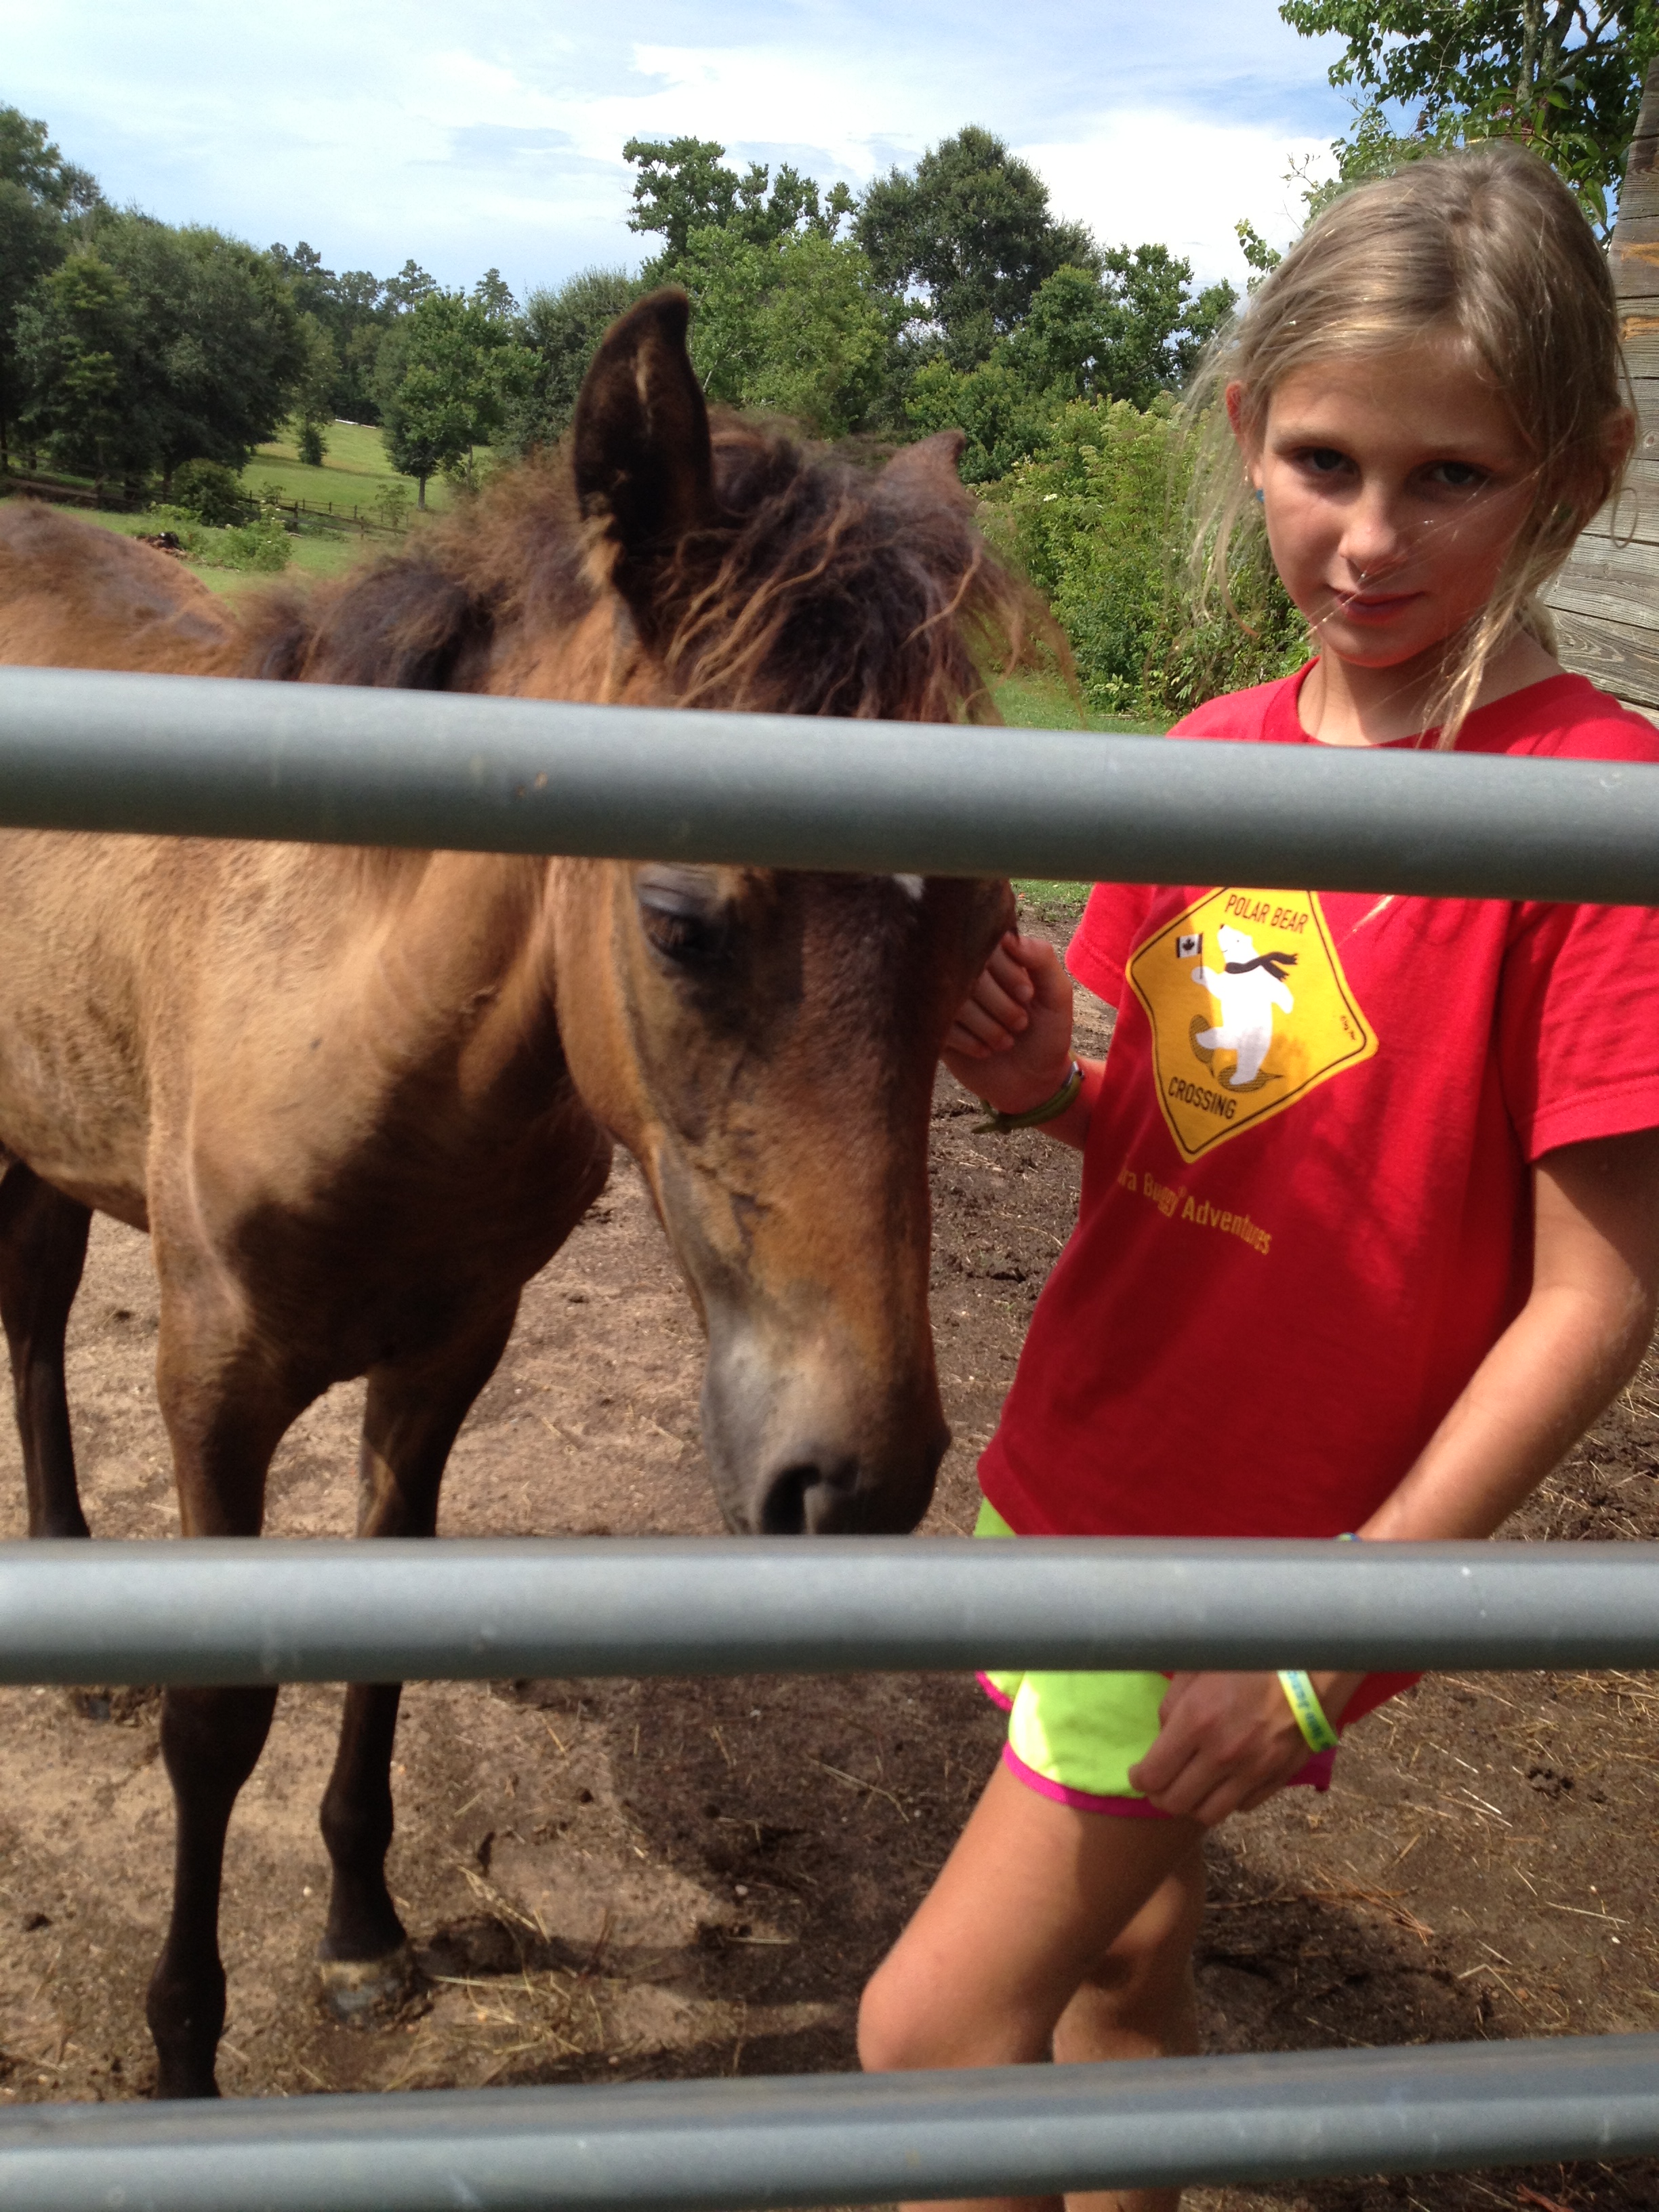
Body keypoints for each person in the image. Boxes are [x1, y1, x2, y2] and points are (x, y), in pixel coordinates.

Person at [857, 143, 1659, 2212]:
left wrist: (1324, 1637)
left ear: (1579, 472)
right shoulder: (1211, 757)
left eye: (1450, 476)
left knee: (922, 2043)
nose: (1370, 539)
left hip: (1247, 1566)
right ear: (1248, 431)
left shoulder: (1599, 819)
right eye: (1324, 462)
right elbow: (1159, 1120)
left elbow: (1595, 1298)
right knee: (1124, 1971)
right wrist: (1042, 1083)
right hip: (1079, 1462)